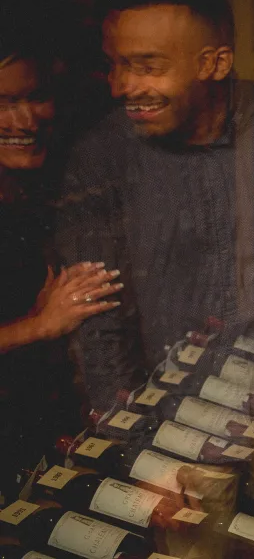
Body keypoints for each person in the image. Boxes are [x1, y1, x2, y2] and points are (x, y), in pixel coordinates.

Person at [55, 0, 254, 558]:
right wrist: (137, 452)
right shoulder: (101, 157)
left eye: (146, 66)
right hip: (176, 420)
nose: (124, 86)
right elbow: (98, 324)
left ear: (215, 63)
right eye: (116, 66)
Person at [0, 29, 120, 501]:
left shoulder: (31, 190)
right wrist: (38, 326)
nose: (25, 119)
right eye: (4, 102)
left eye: (37, 96)